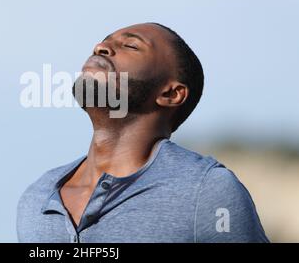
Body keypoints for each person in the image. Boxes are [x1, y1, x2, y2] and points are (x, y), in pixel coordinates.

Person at [16, 23, 269, 243]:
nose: (100, 48)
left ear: (170, 94)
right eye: (104, 42)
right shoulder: (37, 199)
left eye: (131, 46)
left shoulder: (207, 191)